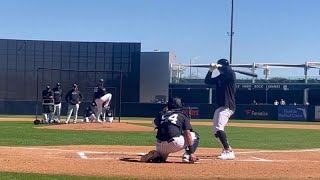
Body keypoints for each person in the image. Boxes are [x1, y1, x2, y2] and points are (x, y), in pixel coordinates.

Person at [140, 97, 200, 163]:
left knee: (161, 159)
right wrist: (191, 152)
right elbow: (187, 134)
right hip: (174, 144)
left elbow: (154, 124)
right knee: (194, 135)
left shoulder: (162, 114)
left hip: (160, 146)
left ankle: (156, 155)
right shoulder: (182, 115)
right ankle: (187, 156)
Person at [204, 58, 236, 160]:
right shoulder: (220, 77)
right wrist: (210, 70)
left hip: (227, 105)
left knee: (219, 128)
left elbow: (228, 71)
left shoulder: (230, 75)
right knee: (215, 130)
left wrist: (220, 66)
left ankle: (228, 151)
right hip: (221, 106)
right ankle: (226, 148)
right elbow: (207, 81)